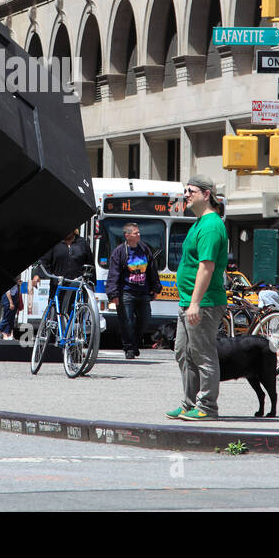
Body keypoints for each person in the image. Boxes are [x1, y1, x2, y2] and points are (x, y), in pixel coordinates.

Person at [167, 175, 229, 422]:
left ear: (206, 194)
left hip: (204, 303)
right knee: (183, 352)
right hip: (189, 302)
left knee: (203, 354)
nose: (186, 194)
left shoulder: (211, 226)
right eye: (185, 190)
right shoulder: (198, 222)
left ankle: (207, 407)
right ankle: (189, 404)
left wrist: (195, 303)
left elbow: (206, 267)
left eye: (191, 191)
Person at [106, 222, 161, 359]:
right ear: (127, 235)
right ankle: (129, 348)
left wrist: (155, 288)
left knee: (145, 320)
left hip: (143, 292)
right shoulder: (119, 252)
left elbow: (152, 270)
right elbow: (113, 274)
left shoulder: (144, 249)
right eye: (136, 233)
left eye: (139, 232)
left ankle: (135, 343)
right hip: (126, 292)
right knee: (127, 321)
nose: (139, 235)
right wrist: (113, 294)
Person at [32, 228, 92, 320]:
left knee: (75, 315)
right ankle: (51, 331)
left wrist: (92, 283)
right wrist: (37, 275)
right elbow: (43, 261)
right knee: (55, 316)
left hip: (77, 285)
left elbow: (90, 264)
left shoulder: (82, 243)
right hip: (58, 285)